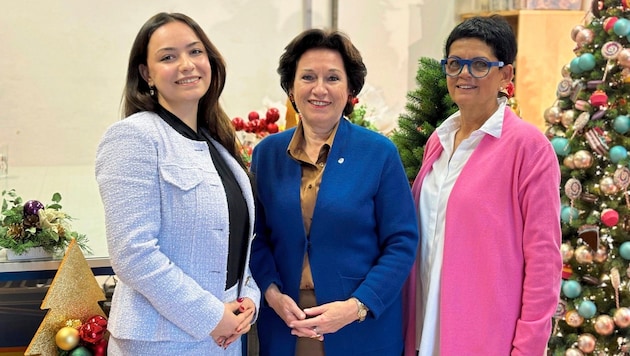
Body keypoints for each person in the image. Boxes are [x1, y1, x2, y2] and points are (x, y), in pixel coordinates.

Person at [95, 12, 259, 355]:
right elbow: (132, 253)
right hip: (162, 341)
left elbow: (237, 243)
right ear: (146, 73)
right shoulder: (134, 137)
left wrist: (249, 300)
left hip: (225, 336)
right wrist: (211, 315)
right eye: (168, 57)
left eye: (195, 52)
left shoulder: (219, 145)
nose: (187, 64)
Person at [249, 28, 419, 356]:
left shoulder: (379, 153)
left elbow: (401, 242)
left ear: (351, 87)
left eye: (333, 78)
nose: (320, 89)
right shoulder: (267, 154)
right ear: (291, 86)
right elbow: (257, 238)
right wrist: (272, 295)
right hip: (287, 322)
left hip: (358, 327)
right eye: (308, 77)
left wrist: (356, 307)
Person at [402, 15, 562, 355]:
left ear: (505, 74)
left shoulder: (529, 148)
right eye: (455, 63)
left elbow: (544, 261)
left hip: (486, 337)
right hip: (425, 329)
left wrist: (528, 347)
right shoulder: (439, 140)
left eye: (478, 65)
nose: (463, 74)